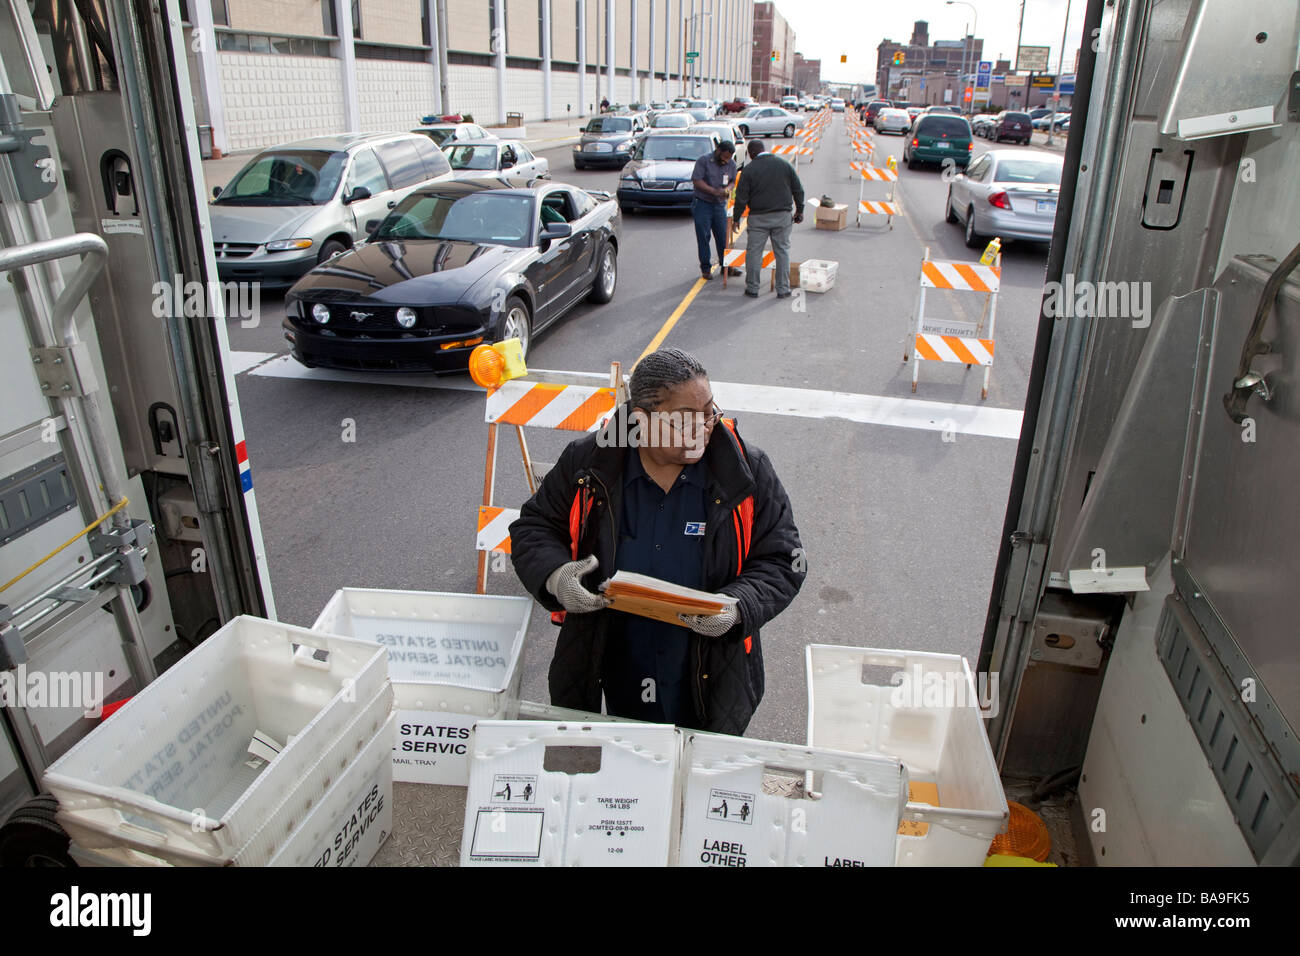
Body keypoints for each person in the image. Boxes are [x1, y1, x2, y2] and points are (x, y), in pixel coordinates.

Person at [509, 348, 806, 734]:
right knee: (624, 762)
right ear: (640, 420)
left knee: (699, 766)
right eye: (685, 420)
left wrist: (737, 607)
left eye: (709, 413)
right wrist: (555, 576)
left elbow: (783, 559)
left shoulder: (746, 469)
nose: (703, 429)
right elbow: (534, 527)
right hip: (614, 665)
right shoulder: (588, 462)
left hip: (712, 673)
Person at [731, 140, 805, 299]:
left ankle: (752, 289)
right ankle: (783, 289)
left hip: (758, 218)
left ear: (751, 153)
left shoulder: (749, 170)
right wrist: (800, 210)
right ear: (763, 149)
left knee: (754, 253)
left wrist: (736, 218)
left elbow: (741, 198)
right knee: (782, 251)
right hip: (782, 217)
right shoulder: (784, 165)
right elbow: (798, 190)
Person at [690, 141, 742, 281]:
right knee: (704, 236)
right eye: (724, 157)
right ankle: (706, 268)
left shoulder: (731, 164)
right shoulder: (704, 161)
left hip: (719, 205)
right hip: (703, 203)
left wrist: (727, 189)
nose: (726, 160)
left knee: (723, 237)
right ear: (718, 150)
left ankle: (726, 267)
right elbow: (696, 180)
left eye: (729, 158)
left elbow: (732, 181)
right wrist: (713, 191)